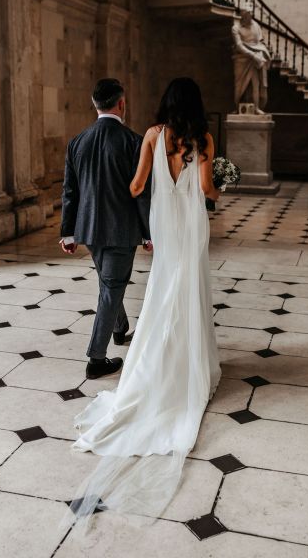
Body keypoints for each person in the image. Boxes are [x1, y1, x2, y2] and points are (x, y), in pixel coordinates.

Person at [61, 77, 221, 532]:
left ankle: (154, 358)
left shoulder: (151, 135)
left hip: (165, 225)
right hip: (190, 226)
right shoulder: (203, 139)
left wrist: (147, 186)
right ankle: (189, 360)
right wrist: (216, 179)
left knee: (160, 289)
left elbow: (135, 187)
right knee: (189, 288)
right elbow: (208, 191)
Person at [60, 78, 151, 380]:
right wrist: (149, 232)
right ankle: (96, 359)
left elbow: (69, 192)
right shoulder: (133, 141)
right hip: (120, 230)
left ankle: (119, 327)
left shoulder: (77, 141)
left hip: (88, 229)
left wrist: (68, 232)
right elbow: (141, 193)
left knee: (109, 283)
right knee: (111, 288)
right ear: (121, 103)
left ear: (95, 103)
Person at [232, 1, 271, 114]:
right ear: (243, 15)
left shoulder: (256, 25)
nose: (251, 16)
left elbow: (260, 41)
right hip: (242, 58)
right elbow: (239, 45)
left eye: (251, 14)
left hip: (256, 56)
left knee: (256, 83)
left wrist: (261, 52)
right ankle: (237, 106)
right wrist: (253, 55)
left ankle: (256, 108)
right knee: (239, 84)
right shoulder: (236, 28)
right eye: (248, 14)